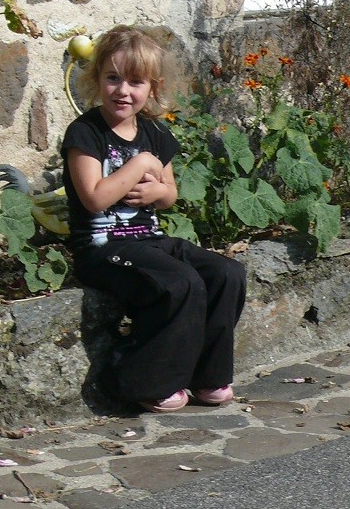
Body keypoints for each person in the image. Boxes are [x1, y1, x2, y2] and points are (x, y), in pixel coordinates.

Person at [60, 24, 246, 413]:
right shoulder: (85, 133)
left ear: (152, 88)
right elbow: (94, 199)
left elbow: (170, 194)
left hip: (148, 240)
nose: (123, 91)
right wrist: (141, 164)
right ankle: (141, 380)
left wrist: (157, 192)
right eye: (112, 78)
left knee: (225, 273)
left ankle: (207, 375)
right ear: (96, 80)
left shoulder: (154, 133)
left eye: (135, 82)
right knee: (177, 283)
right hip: (103, 247)